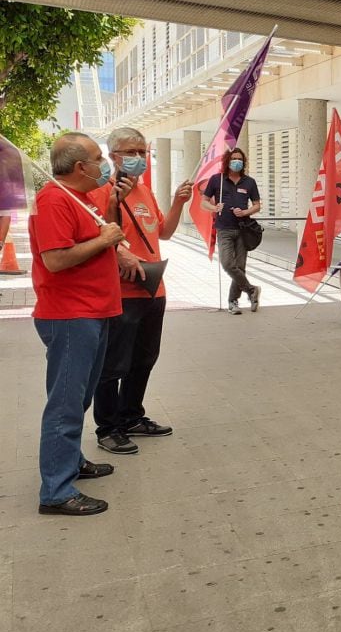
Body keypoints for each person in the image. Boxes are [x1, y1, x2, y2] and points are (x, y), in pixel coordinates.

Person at [29, 133, 126, 516]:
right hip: (70, 315)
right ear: (80, 166)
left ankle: (70, 462)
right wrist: (104, 240)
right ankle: (56, 490)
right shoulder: (53, 200)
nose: (104, 164)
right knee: (66, 404)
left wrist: (109, 228)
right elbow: (55, 259)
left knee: (79, 398)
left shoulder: (81, 197)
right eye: (99, 158)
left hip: (93, 312)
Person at [89, 128, 193, 455]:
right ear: (113, 156)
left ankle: (132, 416)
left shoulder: (145, 191)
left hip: (153, 287)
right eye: (130, 151)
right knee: (113, 364)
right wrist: (114, 208)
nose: (138, 157)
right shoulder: (101, 191)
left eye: (142, 151)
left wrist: (178, 202)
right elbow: (98, 236)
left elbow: (164, 232)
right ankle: (108, 428)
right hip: (121, 291)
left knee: (144, 359)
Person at [201, 147, 261, 315]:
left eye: (240, 159)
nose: (237, 162)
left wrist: (245, 212)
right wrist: (214, 207)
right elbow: (203, 202)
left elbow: (257, 205)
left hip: (243, 229)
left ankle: (233, 302)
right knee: (228, 264)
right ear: (228, 161)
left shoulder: (249, 182)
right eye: (234, 159)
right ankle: (251, 290)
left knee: (240, 267)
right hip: (224, 229)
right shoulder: (217, 180)